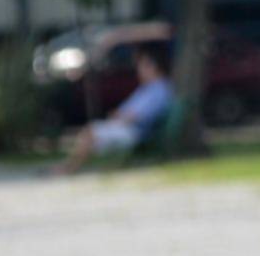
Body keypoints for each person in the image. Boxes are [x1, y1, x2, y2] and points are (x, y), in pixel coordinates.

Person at [52, 45, 174, 175]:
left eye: (143, 65)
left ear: (153, 66)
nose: (139, 70)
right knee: (91, 131)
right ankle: (70, 166)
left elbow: (142, 116)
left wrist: (121, 116)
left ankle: (69, 168)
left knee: (91, 131)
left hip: (135, 132)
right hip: (126, 127)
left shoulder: (159, 89)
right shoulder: (147, 88)